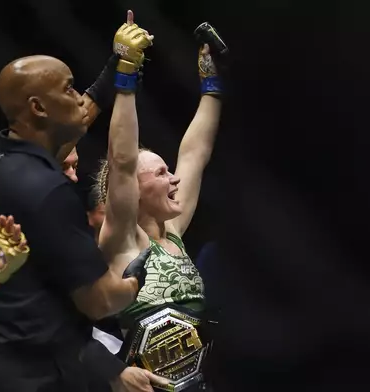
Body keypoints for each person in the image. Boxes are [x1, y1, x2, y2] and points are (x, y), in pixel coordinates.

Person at [0, 36, 153, 391]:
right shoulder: (49, 191)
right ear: (39, 108)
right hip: (45, 376)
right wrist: (135, 281)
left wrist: (118, 68)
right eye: (69, 88)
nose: (77, 98)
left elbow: (71, 122)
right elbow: (100, 302)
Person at [94, 14, 224, 391]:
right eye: (162, 173)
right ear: (133, 191)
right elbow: (121, 160)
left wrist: (212, 84)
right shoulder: (122, 240)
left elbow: (196, 151)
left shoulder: (175, 232)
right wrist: (126, 75)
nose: (175, 179)